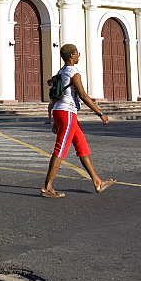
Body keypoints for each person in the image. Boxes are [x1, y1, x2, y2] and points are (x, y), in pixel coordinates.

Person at [41, 43, 116, 198]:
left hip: (61, 111)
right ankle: (47, 188)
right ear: (71, 56)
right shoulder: (73, 71)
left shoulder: (61, 71)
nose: (78, 56)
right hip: (67, 112)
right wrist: (100, 113)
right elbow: (83, 95)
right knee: (60, 149)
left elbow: (57, 95)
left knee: (82, 146)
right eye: (77, 53)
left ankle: (97, 182)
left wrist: (55, 120)